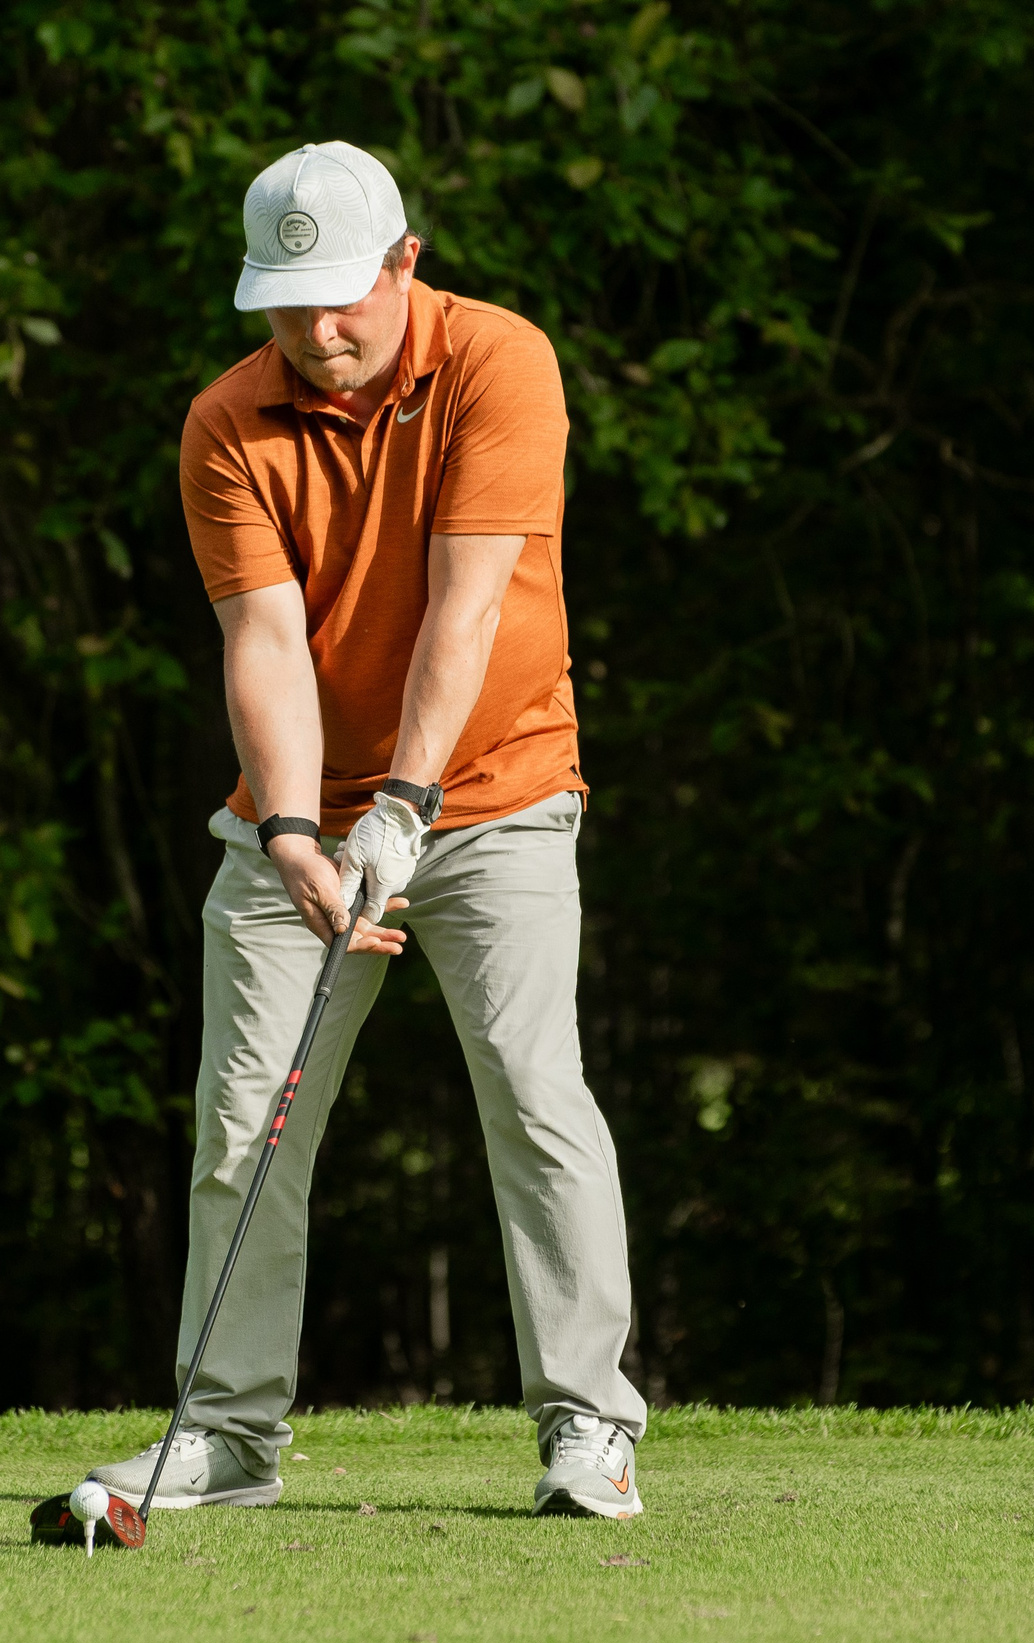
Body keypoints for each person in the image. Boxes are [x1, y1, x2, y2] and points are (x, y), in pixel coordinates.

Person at [90, 141, 645, 1519]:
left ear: (407, 263)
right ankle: (224, 1436)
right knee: (244, 1125)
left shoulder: (499, 364)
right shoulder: (227, 423)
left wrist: (405, 803)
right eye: (288, 304)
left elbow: (467, 608)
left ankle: (591, 1425)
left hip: (501, 788)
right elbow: (266, 642)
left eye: (344, 296)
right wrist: (291, 826)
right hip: (305, 817)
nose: (318, 331)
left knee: (532, 1092)